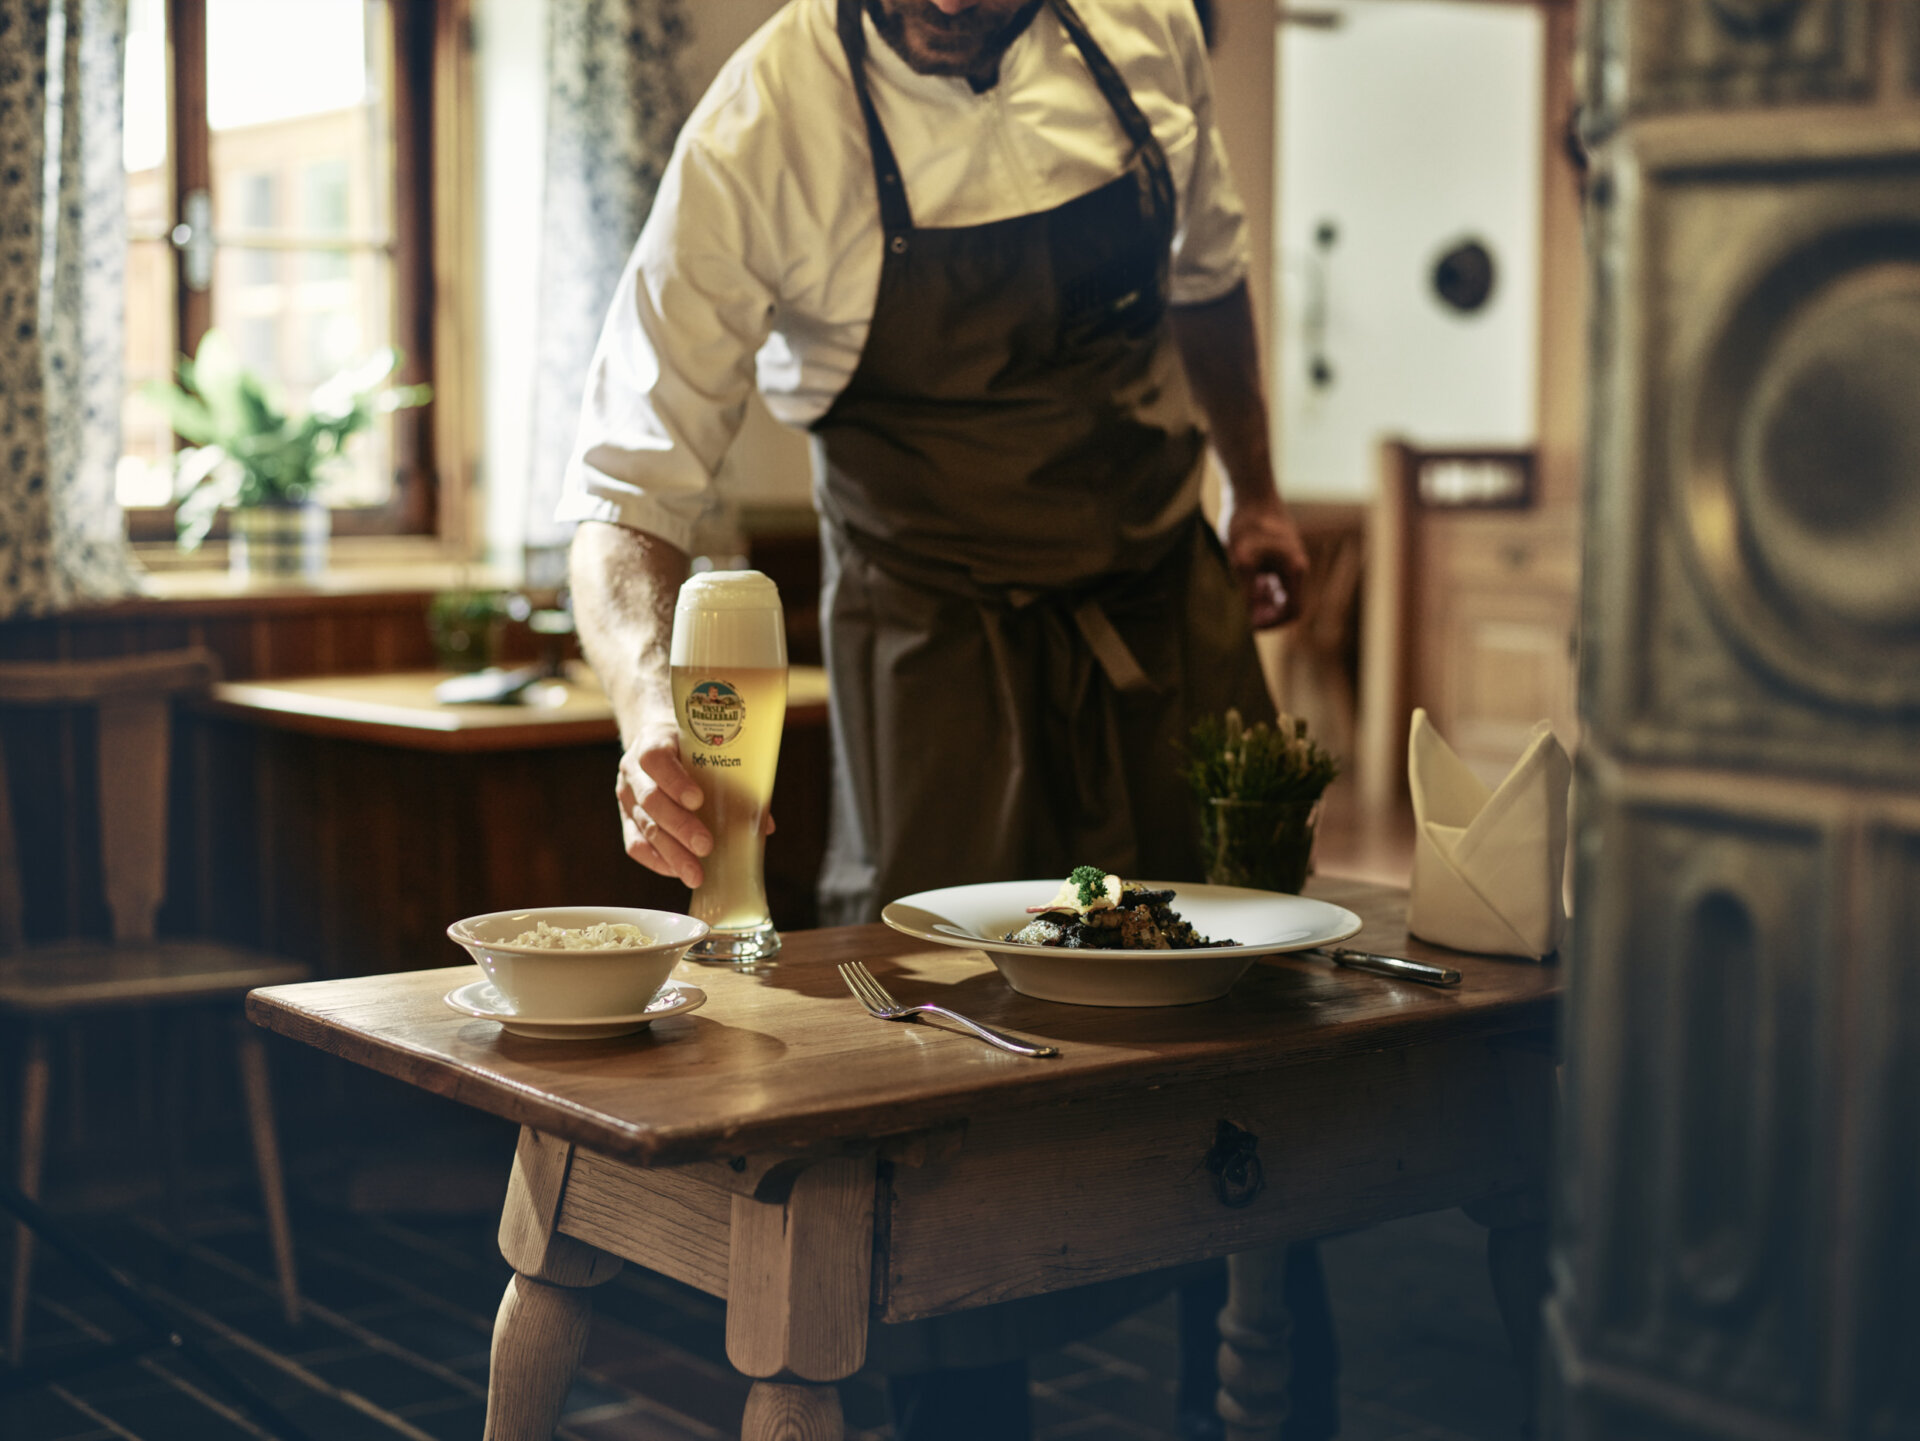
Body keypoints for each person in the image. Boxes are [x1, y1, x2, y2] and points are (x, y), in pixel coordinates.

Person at [562, 1, 1329, 1436]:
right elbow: (625, 491)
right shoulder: (765, 124)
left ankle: (1269, 1393)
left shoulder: (1148, 27)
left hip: (1167, 608)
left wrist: (1259, 485)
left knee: (1254, 1038)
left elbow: (1208, 276)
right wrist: (644, 702)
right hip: (937, 640)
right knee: (936, 1065)